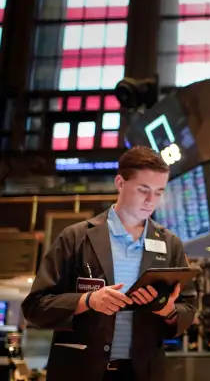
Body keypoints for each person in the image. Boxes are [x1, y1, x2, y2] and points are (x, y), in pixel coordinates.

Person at [22, 146, 196, 381]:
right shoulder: (76, 237)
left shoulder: (170, 243)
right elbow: (35, 307)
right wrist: (88, 301)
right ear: (120, 183)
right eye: (143, 190)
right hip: (80, 371)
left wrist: (168, 311)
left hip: (142, 372)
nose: (150, 201)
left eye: (158, 192)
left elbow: (188, 309)